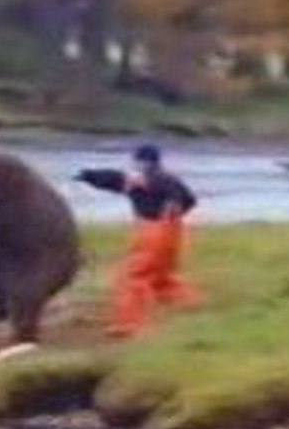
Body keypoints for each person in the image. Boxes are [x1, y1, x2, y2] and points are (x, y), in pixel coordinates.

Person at [74, 143, 202, 338]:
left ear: (143, 162)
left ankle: (130, 325)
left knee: (132, 278)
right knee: (161, 278)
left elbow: (116, 179)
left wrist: (88, 176)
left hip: (153, 231)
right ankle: (193, 306)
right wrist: (92, 177)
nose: (135, 165)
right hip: (173, 232)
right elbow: (190, 200)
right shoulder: (169, 179)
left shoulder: (146, 178)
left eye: (137, 161)